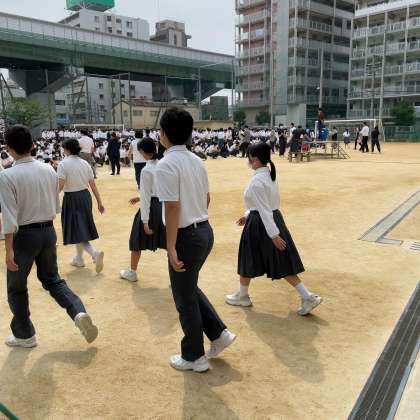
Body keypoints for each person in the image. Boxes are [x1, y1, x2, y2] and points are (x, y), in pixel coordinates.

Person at [0, 125, 98, 348]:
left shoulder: (6, 176)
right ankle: (78, 311)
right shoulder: (48, 169)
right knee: (53, 280)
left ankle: (24, 334)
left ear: (9, 148)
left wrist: (8, 249)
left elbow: (9, 217)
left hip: (23, 235)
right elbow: (55, 205)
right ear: (32, 145)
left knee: (17, 286)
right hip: (47, 231)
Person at [156, 108, 236, 373]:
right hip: (204, 230)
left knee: (184, 297)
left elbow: (172, 207)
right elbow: (207, 198)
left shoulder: (166, 164)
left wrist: (170, 246)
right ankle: (219, 333)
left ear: (164, 134)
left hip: (186, 236)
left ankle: (194, 357)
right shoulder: (196, 160)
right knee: (188, 288)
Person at [226, 142, 322, 315]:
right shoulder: (269, 175)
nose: (248, 160)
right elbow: (266, 205)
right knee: (279, 260)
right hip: (271, 218)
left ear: (255, 159)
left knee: (249, 257)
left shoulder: (257, 181)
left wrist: (274, 235)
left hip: (262, 223)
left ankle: (244, 295)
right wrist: (248, 214)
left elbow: (264, 210)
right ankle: (305, 296)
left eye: (249, 157)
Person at [120, 138, 166, 282]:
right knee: (169, 242)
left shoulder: (146, 170)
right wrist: (139, 197)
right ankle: (176, 279)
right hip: (165, 206)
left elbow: (147, 197)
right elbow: (159, 190)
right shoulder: (163, 164)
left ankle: (132, 272)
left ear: (142, 152)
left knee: (136, 240)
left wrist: (145, 221)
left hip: (152, 208)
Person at [58, 139, 105, 273]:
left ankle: (94, 253)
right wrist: (99, 202)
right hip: (85, 197)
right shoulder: (85, 163)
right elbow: (93, 185)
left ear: (67, 149)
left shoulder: (63, 164)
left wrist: (50, 199)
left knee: (77, 229)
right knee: (80, 228)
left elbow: (60, 186)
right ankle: (79, 258)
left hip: (71, 198)